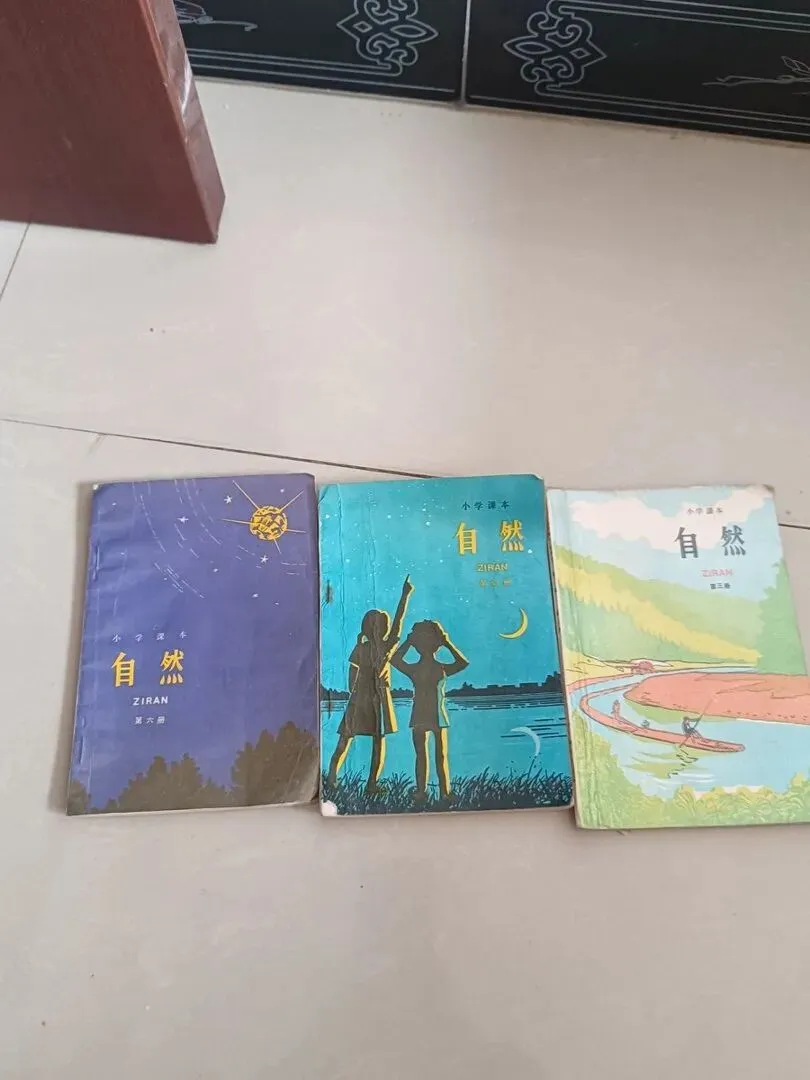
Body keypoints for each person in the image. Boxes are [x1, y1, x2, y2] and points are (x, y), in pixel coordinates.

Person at [327, 576, 413, 794]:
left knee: (346, 737)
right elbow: (398, 624)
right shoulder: (385, 647)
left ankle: (332, 777)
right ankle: (371, 784)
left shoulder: (362, 648)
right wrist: (405, 595)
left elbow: (352, 671)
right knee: (377, 741)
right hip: (378, 697)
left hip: (360, 697)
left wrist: (353, 689)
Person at [391, 620, 469, 802]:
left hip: (433, 715)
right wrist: (446, 642)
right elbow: (461, 662)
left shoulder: (427, 668)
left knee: (432, 756)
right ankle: (431, 792)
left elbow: (462, 663)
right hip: (427, 715)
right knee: (429, 755)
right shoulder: (431, 668)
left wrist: (409, 642)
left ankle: (439, 792)